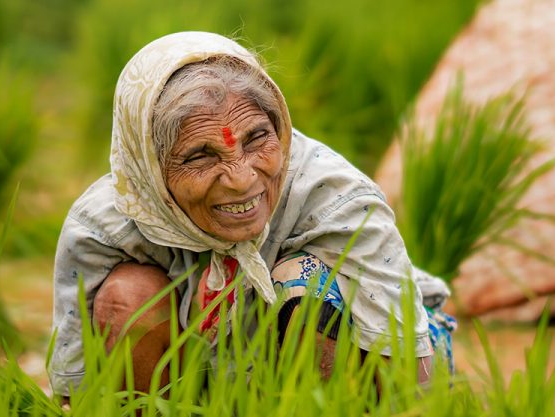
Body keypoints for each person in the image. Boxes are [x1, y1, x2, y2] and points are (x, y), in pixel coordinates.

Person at [48, 31, 454, 398]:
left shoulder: (337, 197)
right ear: (150, 167)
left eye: (257, 137)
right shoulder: (105, 223)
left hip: (357, 370)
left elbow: (409, 370)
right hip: (209, 374)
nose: (242, 180)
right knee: (127, 295)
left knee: (302, 284)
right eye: (199, 156)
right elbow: (73, 387)